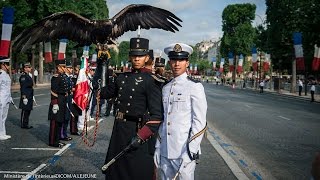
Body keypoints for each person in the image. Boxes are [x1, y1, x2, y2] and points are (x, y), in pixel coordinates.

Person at [100, 37, 163, 180]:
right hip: (119, 131)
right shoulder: (121, 78)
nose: (137, 59)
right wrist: (101, 66)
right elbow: (103, 93)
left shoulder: (151, 81)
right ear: (129, 57)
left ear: (146, 57)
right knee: (116, 172)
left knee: (136, 172)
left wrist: (141, 136)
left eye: (140, 56)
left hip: (137, 132)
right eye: (134, 55)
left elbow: (157, 116)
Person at [154, 43, 207, 180]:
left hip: (184, 150)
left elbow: (200, 122)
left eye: (181, 60)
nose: (177, 64)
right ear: (169, 62)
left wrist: (191, 150)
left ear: (187, 63)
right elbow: (164, 120)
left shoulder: (195, 87)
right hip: (165, 149)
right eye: (173, 60)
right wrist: (158, 146)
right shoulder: (166, 87)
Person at [48, 60, 67, 147]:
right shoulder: (56, 77)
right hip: (57, 101)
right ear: (58, 67)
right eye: (62, 67)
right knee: (54, 124)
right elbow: (53, 91)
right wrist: (55, 103)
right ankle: (52, 141)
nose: (64, 69)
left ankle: (57, 140)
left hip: (62, 101)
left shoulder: (61, 77)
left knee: (59, 122)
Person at [60, 59, 73, 141]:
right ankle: (62, 134)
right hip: (65, 99)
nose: (71, 69)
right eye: (70, 68)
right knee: (64, 117)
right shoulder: (64, 77)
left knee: (67, 117)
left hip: (69, 99)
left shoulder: (69, 77)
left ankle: (64, 133)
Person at [0, 58, 13, 140]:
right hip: (1, 98)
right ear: (2, 64)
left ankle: (3, 133)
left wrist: (10, 97)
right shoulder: (0, 74)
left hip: (6, 98)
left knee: (4, 117)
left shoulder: (6, 74)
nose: (8, 66)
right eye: (7, 64)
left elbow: (7, 88)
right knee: (0, 117)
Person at [19, 62, 34, 129]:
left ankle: (26, 124)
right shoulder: (23, 77)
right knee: (25, 110)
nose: (31, 68)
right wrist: (24, 97)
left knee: (28, 110)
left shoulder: (28, 76)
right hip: (26, 97)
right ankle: (23, 124)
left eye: (30, 67)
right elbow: (23, 87)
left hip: (29, 96)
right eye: (29, 67)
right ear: (25, 68)